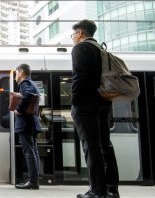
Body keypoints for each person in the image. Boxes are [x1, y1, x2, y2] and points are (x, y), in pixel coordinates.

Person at [71, 19, 119, 198]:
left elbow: (79, 77)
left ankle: (97, 191)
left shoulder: (81, 48)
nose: (73, 39)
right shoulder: (101, 49)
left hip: (85, 105)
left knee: (91, 147)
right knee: (105, 145)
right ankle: (111, 189)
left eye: (73, 35)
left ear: (80, 33)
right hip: (103, 103)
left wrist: (75, 102)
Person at [13, 63, 41, 190]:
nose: (15, 76)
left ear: (21, 73)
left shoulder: (25, 84)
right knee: (33, 152)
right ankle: (34, 180)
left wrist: (18, 109)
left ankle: (32, 181)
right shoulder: (32, 83)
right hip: (32, 123)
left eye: (16, 73)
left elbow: (27, 96)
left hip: (26, 123)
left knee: (29, 153)